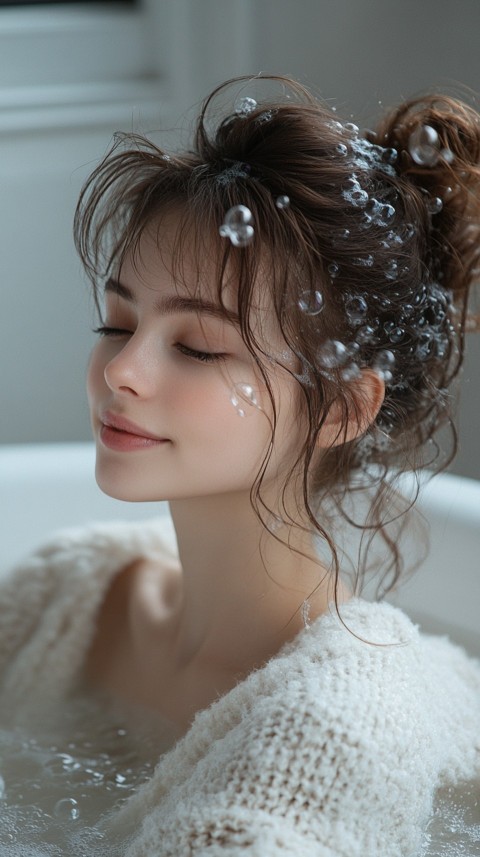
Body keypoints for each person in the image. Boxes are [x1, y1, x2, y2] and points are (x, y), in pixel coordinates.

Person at [1, 74, 479, 855]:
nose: (123, 371)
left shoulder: (336, 727)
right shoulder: (69, 595)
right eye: (117, 322)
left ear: (341, 408)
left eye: (198, 346)